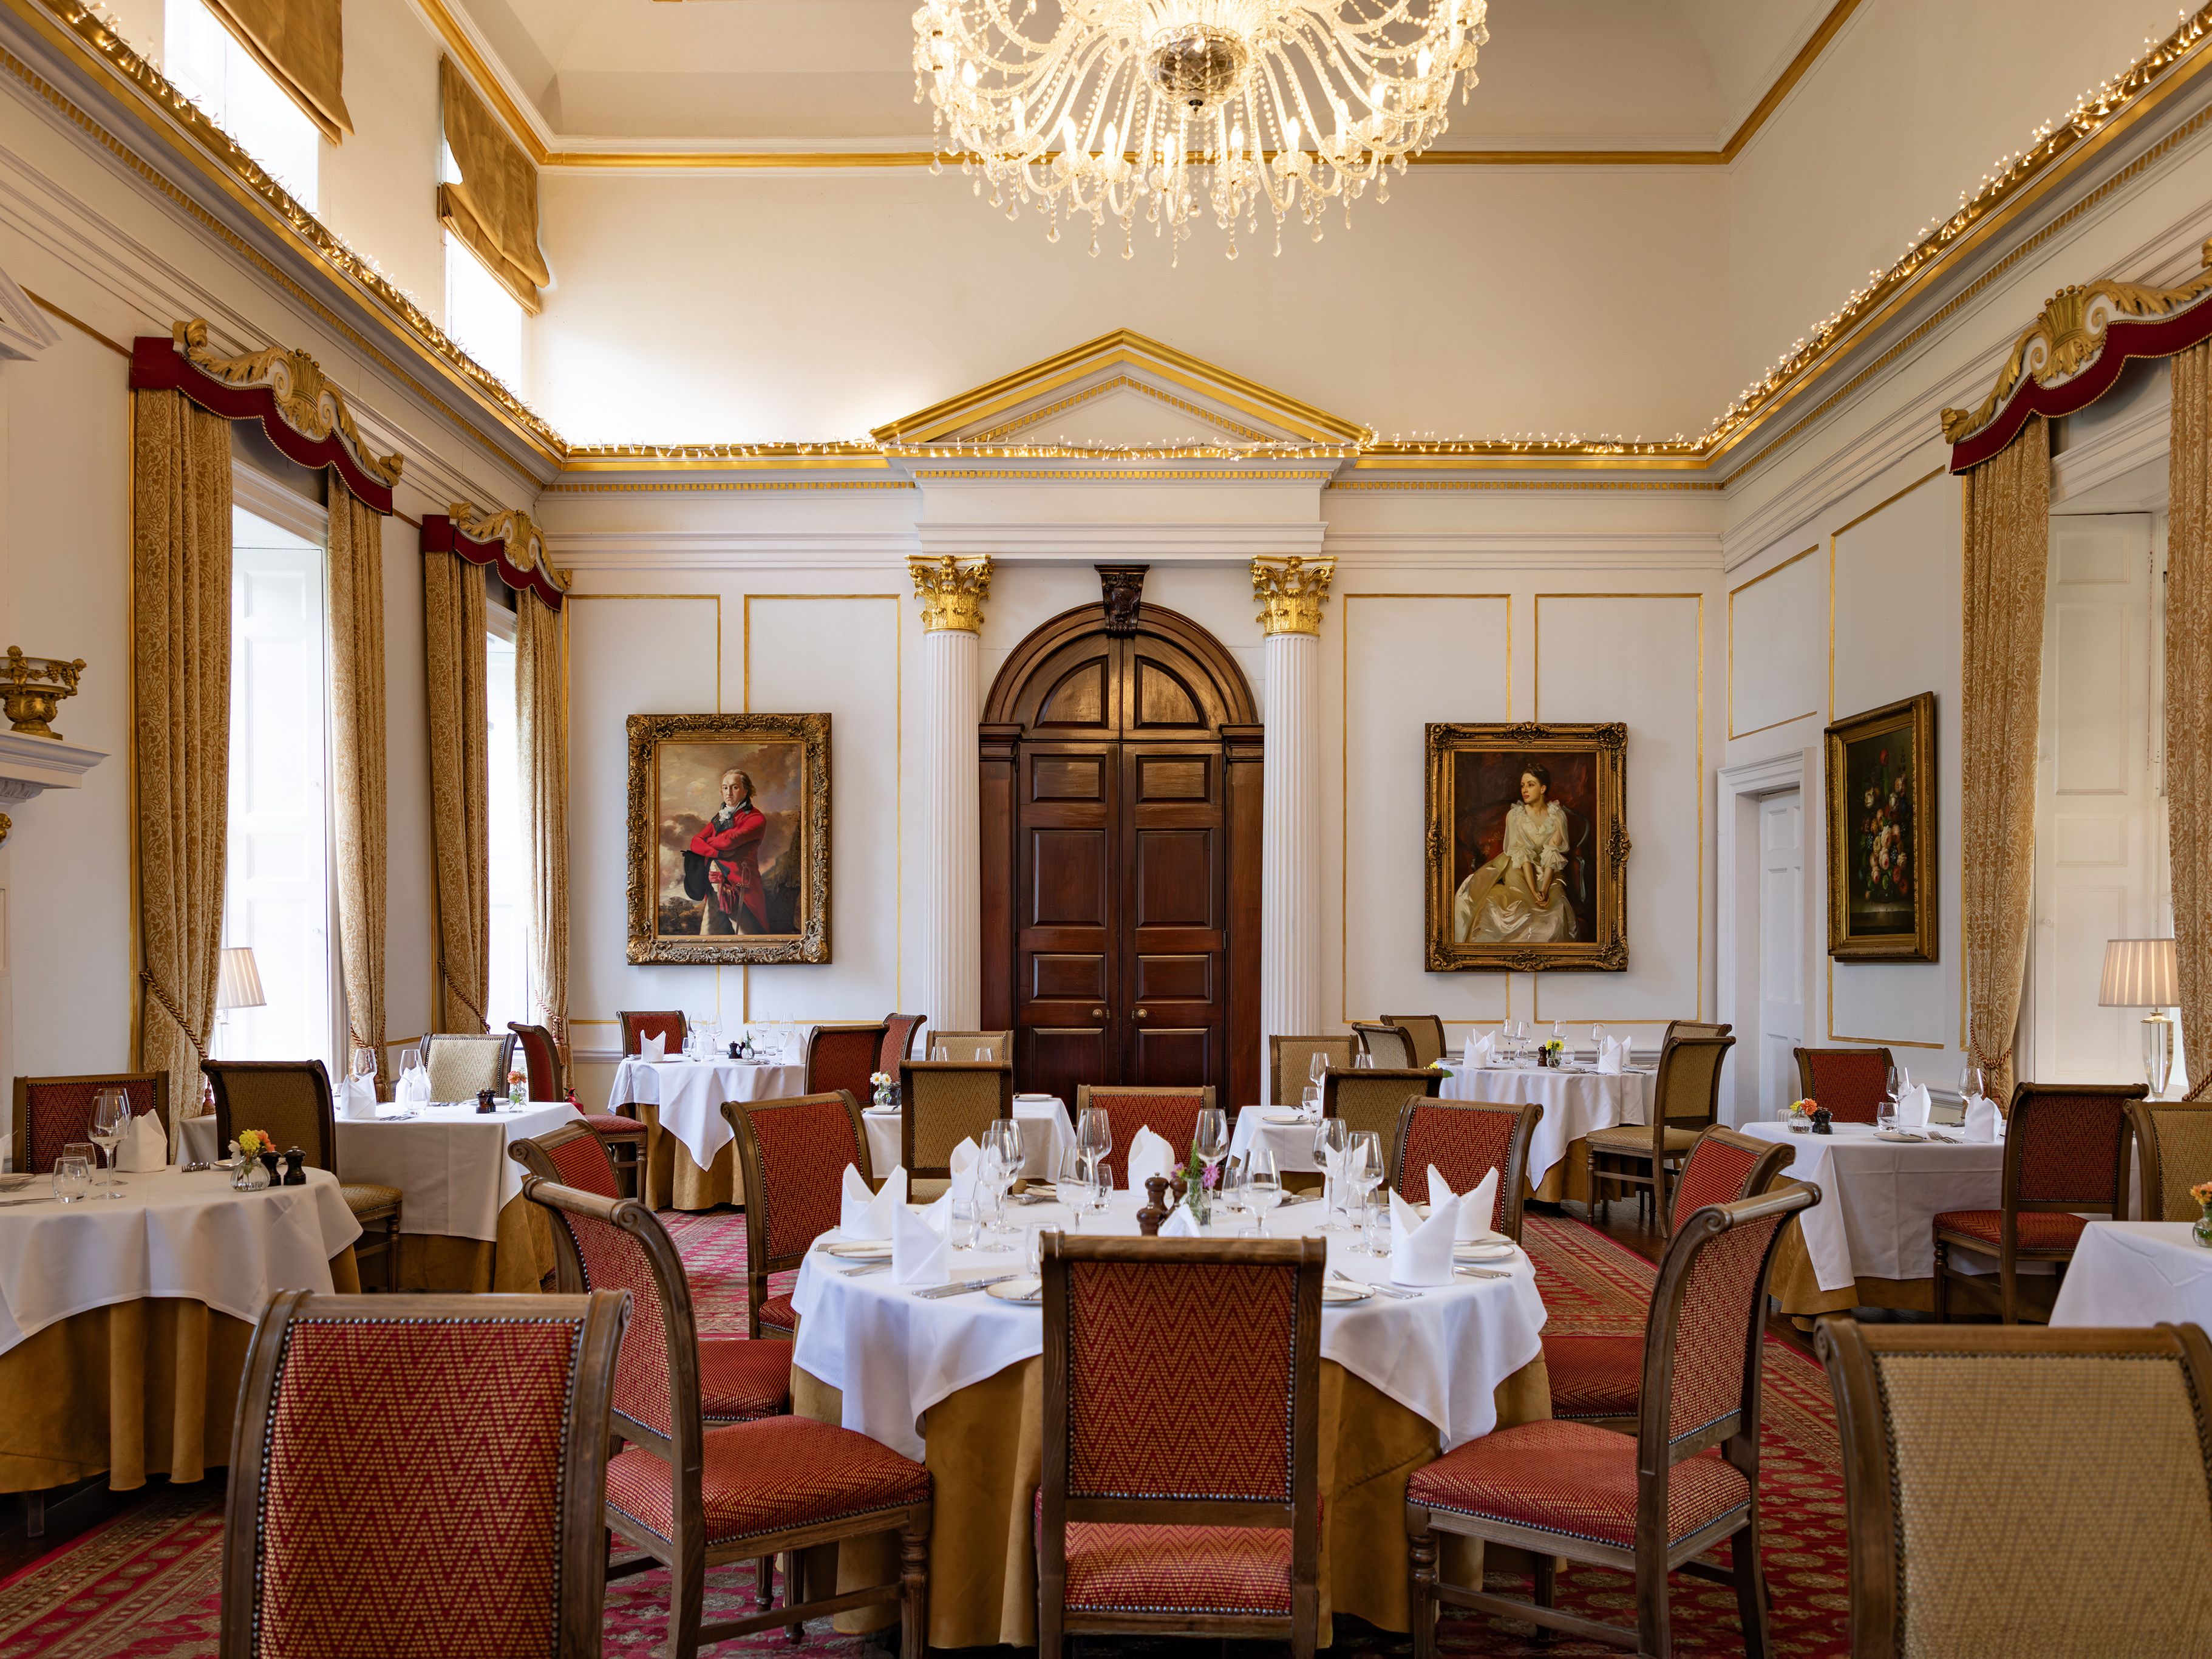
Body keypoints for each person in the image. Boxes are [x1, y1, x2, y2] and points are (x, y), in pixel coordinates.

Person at [1452, 761, 1580, 944]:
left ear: (1543, 788)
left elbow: (1552, 855)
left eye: (1530, 784)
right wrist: (1533, 890)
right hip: (1519, 867)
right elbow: (1523, 855)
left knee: (1555, 909)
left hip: (1548, 870)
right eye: (1522, 785)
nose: (1525, 790)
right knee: (1511, 905)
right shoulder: (1516, 815)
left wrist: (1543, 889)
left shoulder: (1557, 815)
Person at [688, 767, 767, 934]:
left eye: (735, 787)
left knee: (745, 933)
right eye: (725, 787)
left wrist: (708, 842)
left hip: (739, 884)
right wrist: (717, 854)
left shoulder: (756, 818)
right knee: (710, 933)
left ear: (746, 791)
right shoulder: (720, 817)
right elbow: (695, 842)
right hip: (713, 882)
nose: (729, 793)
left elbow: (729, 841)